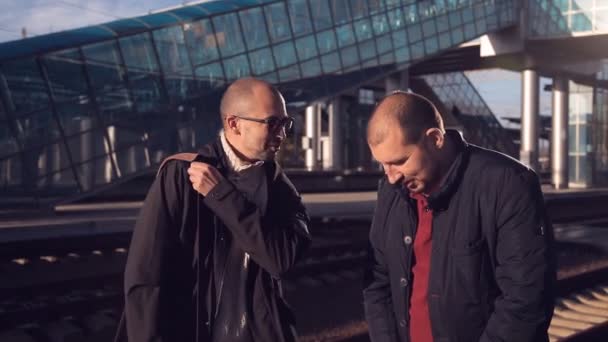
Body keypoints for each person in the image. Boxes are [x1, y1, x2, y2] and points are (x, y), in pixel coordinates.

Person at [122, 78, 312, 342]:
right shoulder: (181, 174)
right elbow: (146, 275)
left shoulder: (280, 187)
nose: (282, 133)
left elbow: (280, 259)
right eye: (272, 123)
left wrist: (222, 195)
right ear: (234, 123)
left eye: (286, 123)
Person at [363, 91, 555, 342]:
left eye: (399, 161)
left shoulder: (508, 184)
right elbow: (378, 283)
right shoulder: (391, 192)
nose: (391, 176)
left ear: (435, 139)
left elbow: (526, 298)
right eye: (383, 164)